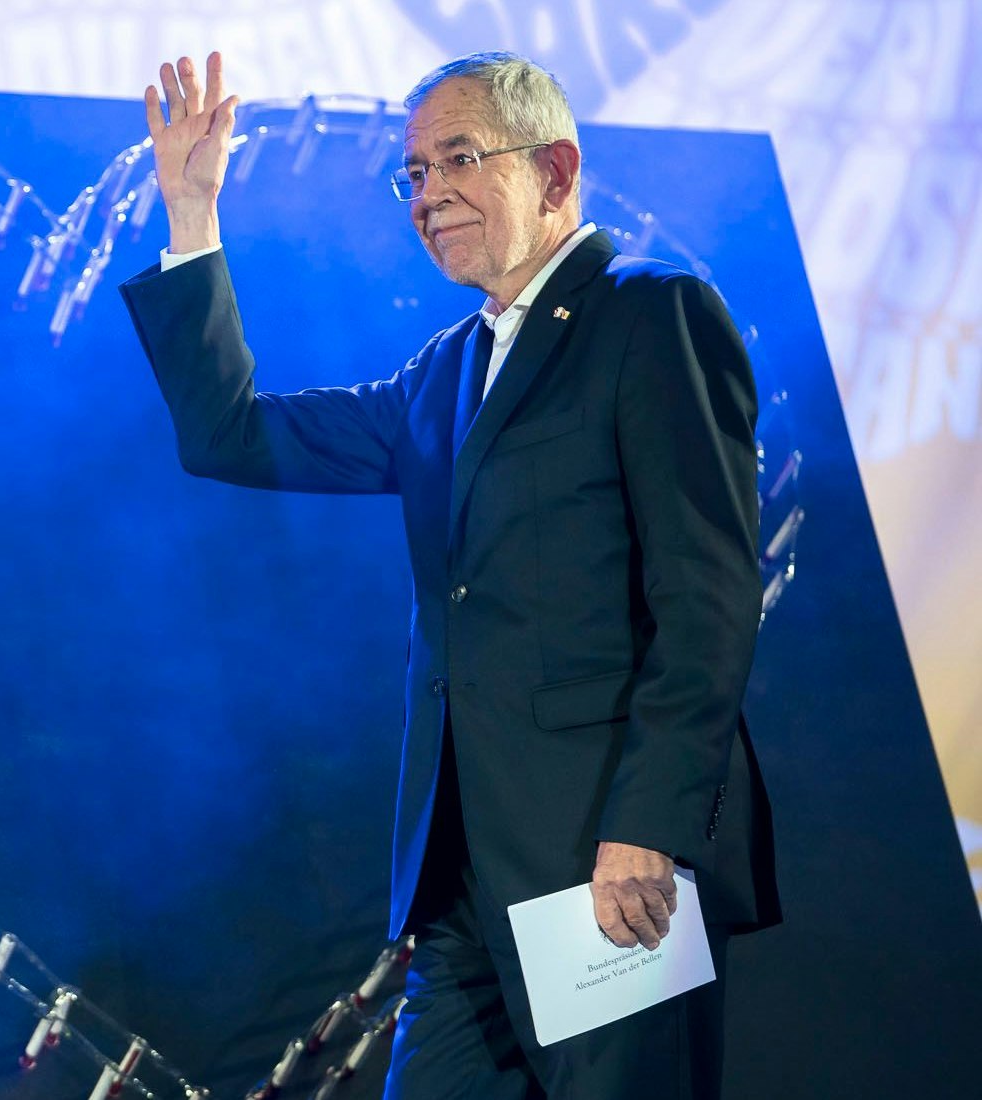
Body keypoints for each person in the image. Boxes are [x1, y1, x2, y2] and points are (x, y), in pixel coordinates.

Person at [120, 51, 778, 1098]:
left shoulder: (650, 315)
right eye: (414, 174)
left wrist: (648, 825)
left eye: (456, 159)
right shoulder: (442, 371)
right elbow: (231, 434)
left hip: (606, 868)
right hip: (466, 888)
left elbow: (704, 597)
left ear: (555, 171)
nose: (426, 195)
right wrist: (192, 214)